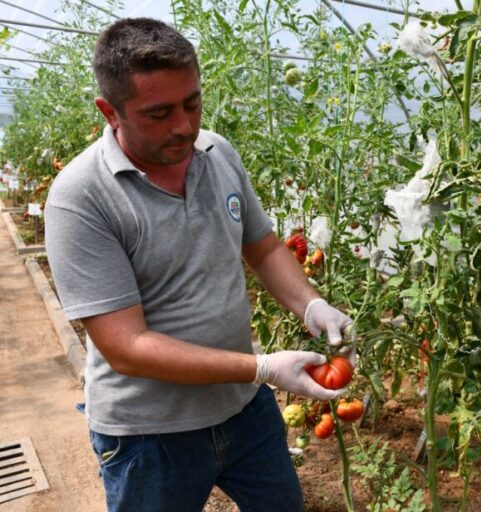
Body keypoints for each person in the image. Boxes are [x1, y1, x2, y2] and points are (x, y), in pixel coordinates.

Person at [44, 17, 353, 512]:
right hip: (150, 434)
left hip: (244, 412)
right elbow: (127, 347)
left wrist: (311, 304)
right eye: (159, 112)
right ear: (110, 111)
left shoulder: (217, 153)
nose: (184, 125)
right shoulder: (81, 197)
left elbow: (265, 247)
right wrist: (262, 368)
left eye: (192, 103)